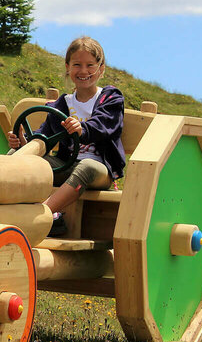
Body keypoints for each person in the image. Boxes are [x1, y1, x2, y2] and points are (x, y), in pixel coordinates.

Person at [7, 36, 125, 236]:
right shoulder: (62, 104)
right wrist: (23, 142)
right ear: (68, 67)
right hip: (67, 164)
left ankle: (42, 215)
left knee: (86, 166)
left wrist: (82, 129)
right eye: (77, 65)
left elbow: (104, 125)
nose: (83, 71)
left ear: (101, 69)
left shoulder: (110, 98)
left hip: (100, 170)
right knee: (16, 156)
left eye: (90, 65)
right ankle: (7, 207)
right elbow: (44, 137)